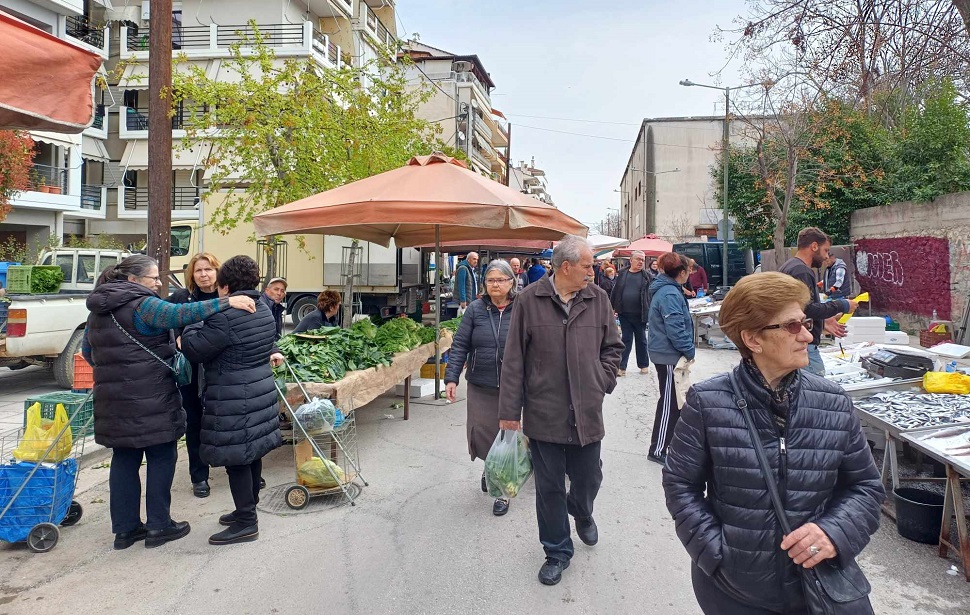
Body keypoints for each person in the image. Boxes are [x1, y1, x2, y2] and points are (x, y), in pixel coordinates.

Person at [663, 271, 885, 614]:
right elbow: (680, 484)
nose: (808, 336)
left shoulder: (833, 401)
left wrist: (833, 532)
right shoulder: (707, 402)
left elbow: (866, 487)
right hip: (732, 591)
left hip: (814, 586)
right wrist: (715, 553)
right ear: (753, 339)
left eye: (806, 323)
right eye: (793, 326)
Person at [82, 255, 256, 550]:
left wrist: (117, 371)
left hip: (112, 400)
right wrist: (227, 302)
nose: (159, 283)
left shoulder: (98, 310)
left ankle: (125, 531)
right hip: (151, 396)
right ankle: (159, 526)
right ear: (134, 280)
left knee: (124, 459)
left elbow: (88, 352)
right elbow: (181, 314)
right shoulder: (143, 304)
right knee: (162, 455)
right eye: (154, 278)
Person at [499, 235, 623, 586]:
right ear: (565, 266)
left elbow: (613, 347)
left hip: (586, 410)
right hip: (544, 410)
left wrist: (602, 380)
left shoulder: (597, 298)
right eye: (587, 265)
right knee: (550, 487)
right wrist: (510, 411)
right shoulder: (528, 300)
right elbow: (514, 359)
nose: (592, 271)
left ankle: (582, 511)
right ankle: (556, 550)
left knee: (588, 478)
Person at [181, 255, 284, 546]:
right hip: (259, 389)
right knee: (253, 452)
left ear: (224, 287)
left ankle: (247, 522)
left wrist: (192, 320)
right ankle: (245, 509)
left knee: (237, 458)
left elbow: (194, 349)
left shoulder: (224, 317)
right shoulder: (264, 308)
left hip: (233, 394)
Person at [445, 259, 517, 516]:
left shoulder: (521, 308)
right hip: (481, 383)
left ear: (511, 282)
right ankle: (490, 467)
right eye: (490, 280)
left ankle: (503, 491)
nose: (495, 285)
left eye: (500, 280)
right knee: (483, 434)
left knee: (508, 438)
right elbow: (460, 345)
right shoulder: (475, 309)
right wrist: (451, 377)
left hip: (513, 386)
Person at [166, 252, 222, 498]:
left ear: (217, 272)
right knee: (195, 423)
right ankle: (199, 476)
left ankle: (239, 467)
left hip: (221, 370)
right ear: (191, 274)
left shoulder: (226, 296)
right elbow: (166, 318)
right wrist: (177, 332)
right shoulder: (181, 297)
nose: (203, 274)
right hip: (191, 372)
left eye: (208, 269)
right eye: (198, 270)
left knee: (225, 420)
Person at [778, 228, 857, 377]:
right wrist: (843, 305)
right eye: (825, 250)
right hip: (804, 344)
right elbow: (806, 309)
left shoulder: (790, 266)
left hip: (796, 342)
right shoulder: (801, 271)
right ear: (814, 247)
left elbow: (799, 308)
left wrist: (823, 320)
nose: (826, 256)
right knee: (817, 389)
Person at [646, 252, 695, 464]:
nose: (690, 274)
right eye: (689, 271)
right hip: (668, 355)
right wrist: (688, 349)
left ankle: (666, 447)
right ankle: (657, 450)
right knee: (669, 403)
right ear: (681, 273)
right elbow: (675, 328)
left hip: (667, 353)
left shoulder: (668, 290)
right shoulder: (669, 294)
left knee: (674, 402)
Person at [609, 250, 651, 376]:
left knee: (641, 339)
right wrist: (612, 307)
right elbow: (615, 291)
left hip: (640, 313)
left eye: (643, 260)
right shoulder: (622, 274)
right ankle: (621, 368)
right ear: (631, 260)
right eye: (638, 259)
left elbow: (650, 294)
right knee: (625, 339)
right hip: (624, 313)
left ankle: (644, 365)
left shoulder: (647, 276)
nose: (640, 262)